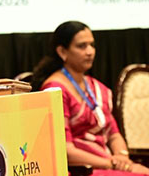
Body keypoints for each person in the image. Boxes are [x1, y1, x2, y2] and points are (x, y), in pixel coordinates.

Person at [32, 21, 149, 175]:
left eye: (92, 45)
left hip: (108, 163)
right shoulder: (55, 90)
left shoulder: (96, 87)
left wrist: (121, 157)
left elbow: (113, 133)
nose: (90, 52)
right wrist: (111, 164)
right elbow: (65, 150)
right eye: (82, 46)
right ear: (62, 52)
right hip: (82, 169)